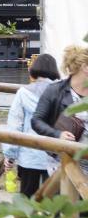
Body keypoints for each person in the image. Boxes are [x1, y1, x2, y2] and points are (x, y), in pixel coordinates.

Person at [1, 54, 60, 196]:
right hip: (55, 154)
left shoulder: (24, 93)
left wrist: (10, 155)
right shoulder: (61, 92)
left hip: (29, 153)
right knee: (53, 203)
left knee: (27, 200)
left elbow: (15, 125)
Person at [32, 45, 88, 174]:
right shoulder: (55, 90)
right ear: (85, 67)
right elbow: (36, 120)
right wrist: (58, 134)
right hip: (63, 161)